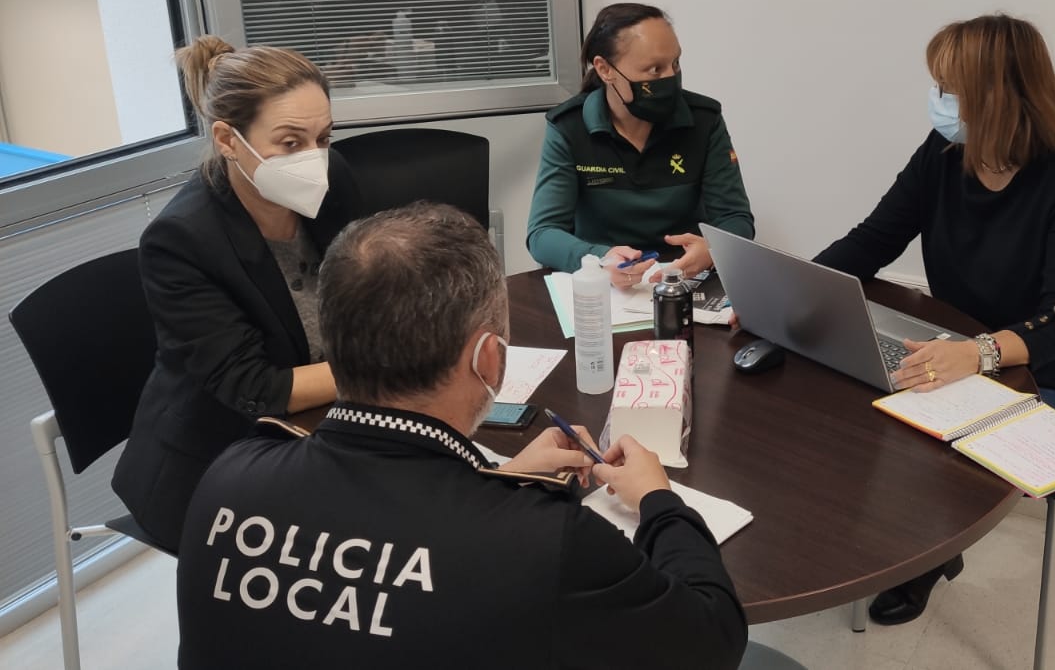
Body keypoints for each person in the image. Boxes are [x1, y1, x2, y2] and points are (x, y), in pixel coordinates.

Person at [174, 203, 749, 669]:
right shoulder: (545, 545)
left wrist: (495, 483)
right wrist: (659, 501)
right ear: (489, 359)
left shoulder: (229, 475)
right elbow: (713, 636)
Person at [815, 14, 1055, 625]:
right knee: (846, 407)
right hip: (959, 351)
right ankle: (896, 543)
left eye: (949, 88)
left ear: (999, 95)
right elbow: (875, 238)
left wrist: (977, 354)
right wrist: (800, 292)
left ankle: (925, 555)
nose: (938, 101)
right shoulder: (944, 151)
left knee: (934, 451)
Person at [113, 37, 362, 554]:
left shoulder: (332, 179)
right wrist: (391, 370)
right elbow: (253, 386)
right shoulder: (181, 240)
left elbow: (373, 283)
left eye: (323, 137)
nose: (314, 159)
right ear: (228, 139)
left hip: (325, 425)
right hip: (220, 458)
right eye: (290, 143)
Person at [527, 3, 753, 289]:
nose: (670, 78)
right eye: (654, 70)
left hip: (684, 281)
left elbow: (736, 218)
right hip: (604, 284)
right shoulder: (569, 127)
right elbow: (543, 234)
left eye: (675, 63)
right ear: (605, 69)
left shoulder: (703, 121)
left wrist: (710, 250)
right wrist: (600, 259)